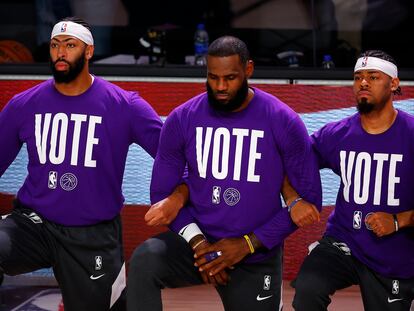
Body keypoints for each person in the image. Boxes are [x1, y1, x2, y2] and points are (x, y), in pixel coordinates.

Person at [0, 17, 188, 311]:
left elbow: (178, 158)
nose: (61, 52)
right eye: (54, 45)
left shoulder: (124, 105)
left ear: (88, 51)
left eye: (70, 45)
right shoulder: (24, 104)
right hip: (34, 225)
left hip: (93, 235)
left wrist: (178, 197)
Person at [126, 35, 322, 311]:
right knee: (146, 258)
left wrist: (246, 245)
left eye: (230, 78)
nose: (220, 87)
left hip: (255, 255)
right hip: (197, 245)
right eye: (213, 77)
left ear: (248, 70)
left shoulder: (282, 120)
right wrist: (198, 244)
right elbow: (161, 194)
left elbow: (309, 198)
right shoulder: (183, 118)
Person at [291, 50, 414, 310]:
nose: (364, 83)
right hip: (344, 240)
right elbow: (293, 163)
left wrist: (398, 220)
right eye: (358, 77)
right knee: (307, 290)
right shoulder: (337, 134)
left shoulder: (411, 135)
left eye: (373, 76)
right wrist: (294, 200)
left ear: (393, 83)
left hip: (396, 252)